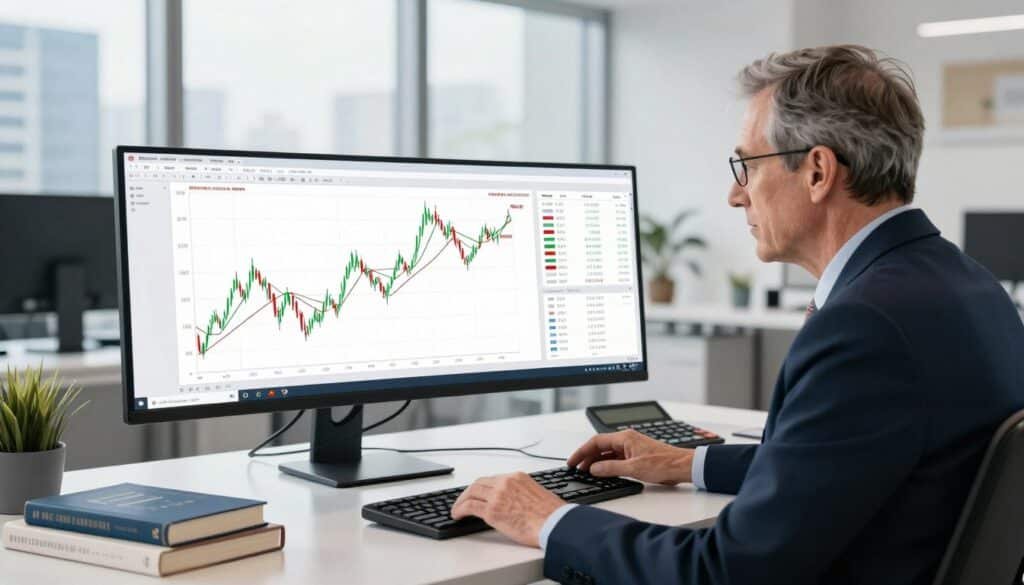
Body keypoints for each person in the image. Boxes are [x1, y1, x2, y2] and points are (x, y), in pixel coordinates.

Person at [449, 45, 1024, 584]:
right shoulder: (966, 285)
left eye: (747, 165)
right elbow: (841, 464)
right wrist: (688, 463)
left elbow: (725, 572)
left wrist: (548, 520)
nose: (735, 194)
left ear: (819, 172)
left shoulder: (865, 325)